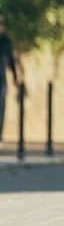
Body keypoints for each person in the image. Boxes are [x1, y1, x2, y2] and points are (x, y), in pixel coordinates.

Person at [0, 15, 20, 143]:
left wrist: (15, 77)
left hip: (0, 78)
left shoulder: (5, 40)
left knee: (1, 108)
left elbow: (11, 60)